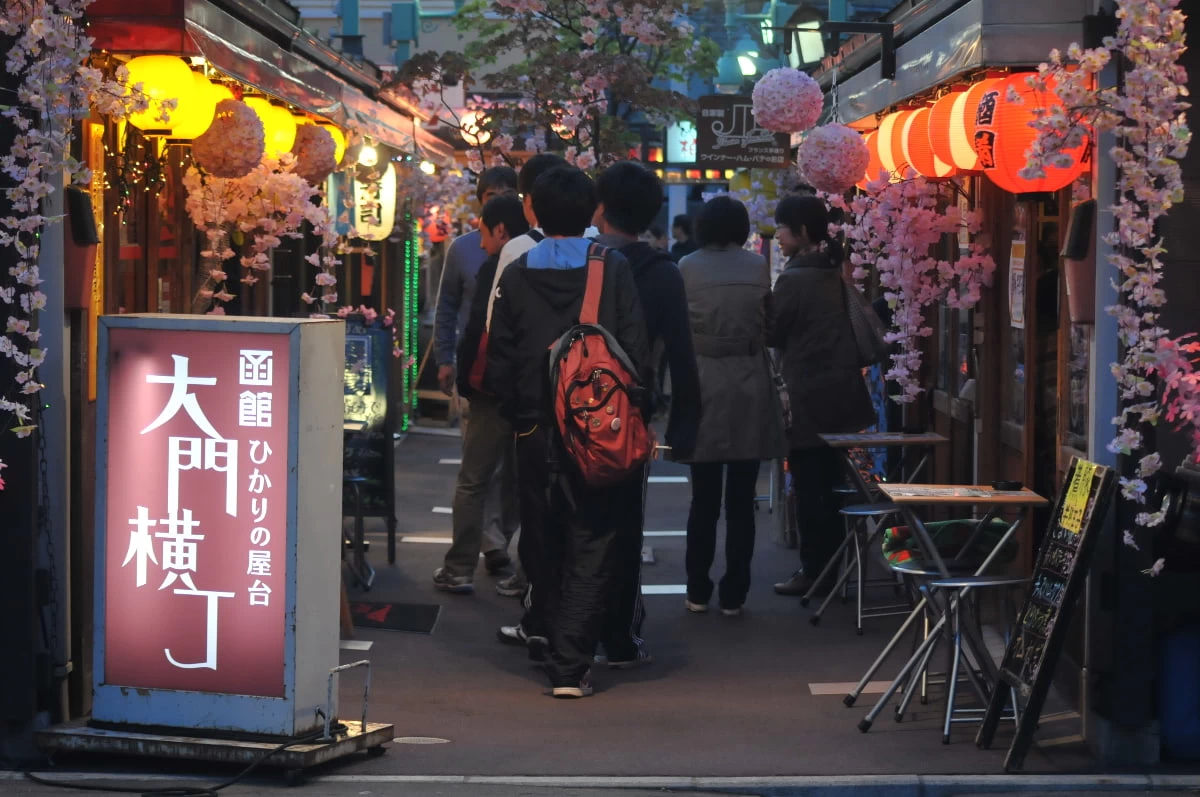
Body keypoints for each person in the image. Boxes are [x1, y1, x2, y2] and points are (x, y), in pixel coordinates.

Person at [488, 165, 650, 697]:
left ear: (532, 209)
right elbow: (635, 351)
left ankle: (553, 641)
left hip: (534, 429)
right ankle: (570, 664)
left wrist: (520, 411)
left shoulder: (515, 271)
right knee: (594, 539)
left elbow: (501, 359)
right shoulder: (614, 268)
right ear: (591, 213)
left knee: (543, 539)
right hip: (598, 427)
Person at [592, 160, 702, 666]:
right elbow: (681, 353)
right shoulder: (663, 273)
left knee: (570, 522)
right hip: (630, 415)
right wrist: (685, 428)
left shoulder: (582, 260)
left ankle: (563, 627)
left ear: (600, 208)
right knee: (624, 524)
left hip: (569, 413)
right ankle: (617, 632)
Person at [678, 196, 787, 616]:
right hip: (748, 381)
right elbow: (770, 324)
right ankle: (734, 592)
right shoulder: (757, 267)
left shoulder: (687, 267)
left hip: (704, 382)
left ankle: (697, 589)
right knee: (742, 498)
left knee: (703, 498)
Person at [768, 195, 877, 597]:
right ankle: (835, 566)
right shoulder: (832, 271)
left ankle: (817, 570)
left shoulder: (796, 278)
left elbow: (772, 331)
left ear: (801, 232)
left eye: (782, 228)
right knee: (830, 484)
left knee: (811, 487)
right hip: (842, 394)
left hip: (808, 397)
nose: (777, 236)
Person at [432, 194, 530, 593]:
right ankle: (520, 570)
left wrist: (466, 381)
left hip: (491, 390)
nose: (481, 241)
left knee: (474, 479)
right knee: (523, 481)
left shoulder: (496, 266)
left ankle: (459, 568)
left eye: (484, 232)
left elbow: (475, 331)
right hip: (530, 391)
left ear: (501, 230)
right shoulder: (545, 258)